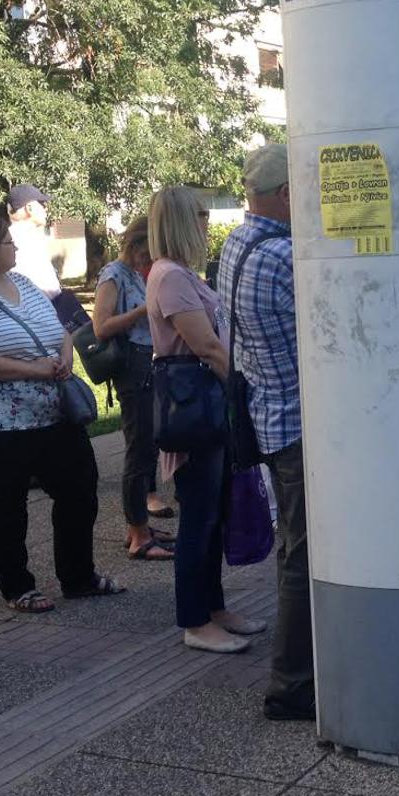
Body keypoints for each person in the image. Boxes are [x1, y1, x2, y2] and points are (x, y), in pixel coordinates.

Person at [0, 214, 122, 613]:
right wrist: (34, 368)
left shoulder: (23, 283)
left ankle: (78, 577)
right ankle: (17, 586)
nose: (15, 247)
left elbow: (59, 331)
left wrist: (63, 357)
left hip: (49, 411)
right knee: (5, 503)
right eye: (7, 242)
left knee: (79, 486)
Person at [218, 145, 314, 720]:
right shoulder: (285, 255)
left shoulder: (237, 243)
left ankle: (301, 669)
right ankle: (291, 684)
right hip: (300, 421)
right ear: (284, 195)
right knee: (303, 555)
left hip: (267, 415)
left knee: (295, 547)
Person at [147, 186, 264, 654]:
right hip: (195, 412)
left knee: (213, 516)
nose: (206, 222)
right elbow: (207, 347)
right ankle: (194, 621)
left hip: (203, 409)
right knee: (199, 518)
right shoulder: (171, 277)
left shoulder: (178, 274)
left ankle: (214, 609)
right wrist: (242, 389)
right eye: (199, 214)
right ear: (179, 220)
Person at [92, 215, 176, 559]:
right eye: (148, 250)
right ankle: (138, 534)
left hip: (148, 362)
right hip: (131, 367)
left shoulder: (141, 273)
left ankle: (141, 526)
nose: (150, 258)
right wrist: (143, 310)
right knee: (137, 451)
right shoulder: (114, 274)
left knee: (148, 446)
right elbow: (100, 326)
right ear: (136, 244)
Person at [6, 184, 62, 299]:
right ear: (29, 208)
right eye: (42, 204)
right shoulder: (24, 240)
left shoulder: (8, 239)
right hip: (39, 311)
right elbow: (46, 288)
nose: (45, 208)